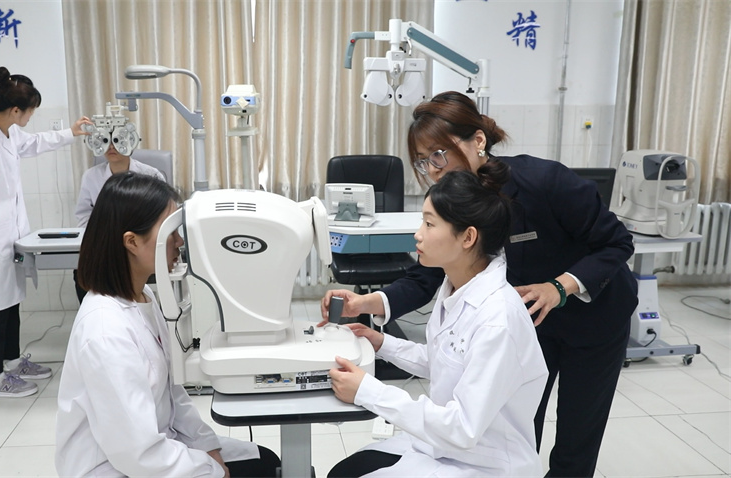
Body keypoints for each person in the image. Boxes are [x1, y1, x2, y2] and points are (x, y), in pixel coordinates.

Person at [322, 91, 638, 477]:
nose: (433, 169)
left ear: (477, 141)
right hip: (529, 317)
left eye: (439, 154)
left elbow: (617, 243)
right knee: (519, 422)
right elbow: (427, 274)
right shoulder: (453, 203)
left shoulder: (543, 182)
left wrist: (558, 288)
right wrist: (365, 304)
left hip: (593, 314)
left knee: (576, 436)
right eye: (423, 160)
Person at [327, 166, 548, 477]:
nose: (418, 234)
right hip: (445, 448)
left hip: (485, 463)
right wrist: (381, 343)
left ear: (468, 237)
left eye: (429, 224)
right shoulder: (454, 286)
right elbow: (444, 360)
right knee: (343, 472)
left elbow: (462, 428)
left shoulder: (497, 320)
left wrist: (369, 392)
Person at [56, 171, 280, 477]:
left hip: (157, 446)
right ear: (132, 242)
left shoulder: (142, 296)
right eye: (170, 232)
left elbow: (171, 394)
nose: (179, 241)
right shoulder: (105, 332)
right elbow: (137, 454)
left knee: (267, 462)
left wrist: (206, 445)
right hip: (117, 467)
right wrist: (212, 471)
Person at [0, 66, 90, 398]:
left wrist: (71, 133)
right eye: (31, 111)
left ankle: (13, 361)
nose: (31, 117)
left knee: (10, 304)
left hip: (9, 240)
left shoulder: (6, 132)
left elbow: (33, 143)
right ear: (16, 110)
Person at [72, 142, 165, 302]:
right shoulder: (91, 176)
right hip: (105, 244)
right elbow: (84, 214)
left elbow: (161, 214)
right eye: (105, 141)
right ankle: (99, 308)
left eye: (117, 140)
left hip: (140, 242)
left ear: (131, 141)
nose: (111, 147)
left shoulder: (150, 174)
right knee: (82, 270)